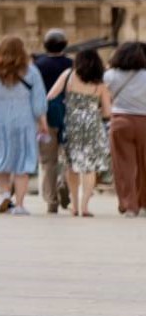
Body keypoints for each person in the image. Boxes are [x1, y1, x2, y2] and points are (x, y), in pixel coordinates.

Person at [0, 37, 47, 214]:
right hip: (24, 119)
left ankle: (5, 193)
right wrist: (42, 122)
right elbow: (38, 100)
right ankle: (19, 205)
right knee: (22, 163)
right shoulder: (32, 72)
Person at [49, 48, 112, 217]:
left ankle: (75, 205)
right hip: (93, 126)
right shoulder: (100, 85)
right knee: (89, 167)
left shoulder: (68, 75)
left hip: (71, 125)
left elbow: (50, 96)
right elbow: (107, 113)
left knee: (72, 165)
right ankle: (85, 206)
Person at [33, 30, 73, 213]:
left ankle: (51, 200)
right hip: (68, 114)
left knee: (48, 160)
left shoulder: (38, 65)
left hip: (45, 117)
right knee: (67, 156)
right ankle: (63, 182)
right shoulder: (72, 65)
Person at [107, 40, 146, 216]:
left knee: (123, 166)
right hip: (144, 121)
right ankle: (144, 203)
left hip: (120, 120)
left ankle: (129, 205)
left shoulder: (110, 75)